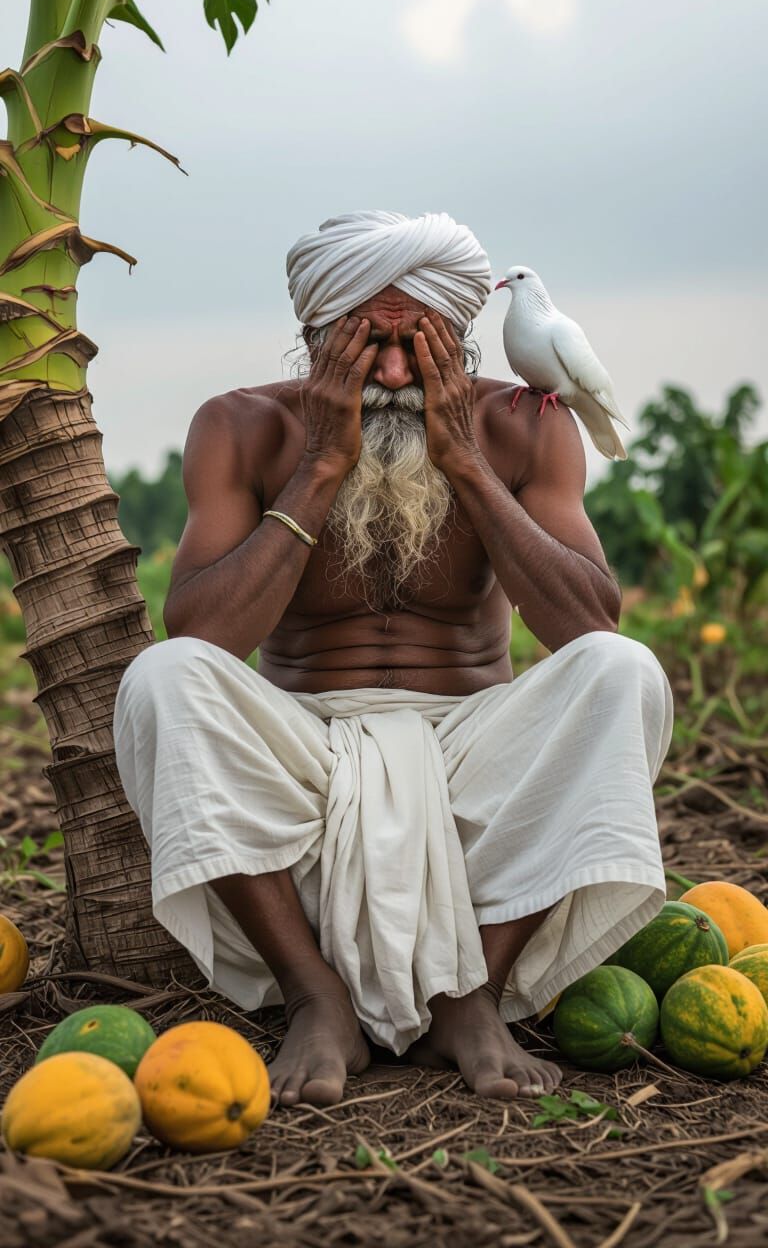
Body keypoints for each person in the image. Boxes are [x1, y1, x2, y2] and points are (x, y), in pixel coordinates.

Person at [113, 210, 673, 1108]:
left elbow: (587, 622)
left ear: (462, 338)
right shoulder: (241, 426)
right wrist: (322, 464)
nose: (393, 374)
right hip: (302, 783)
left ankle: (473, 997)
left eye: (422, 347)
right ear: (313, 338)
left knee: (623, 673)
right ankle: (314, 994)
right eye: (363, 345)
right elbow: (205, 637)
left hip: (473, 783)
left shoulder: (523, 427)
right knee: (161, 678)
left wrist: (465, 461)